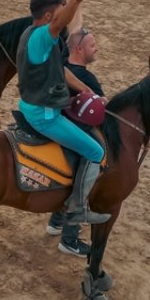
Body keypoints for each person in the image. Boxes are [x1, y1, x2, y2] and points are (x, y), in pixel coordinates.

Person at [17, 0, 110, 226]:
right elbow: (60, 24)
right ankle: (77, 209)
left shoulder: (30, 34)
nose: (63, 16)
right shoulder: (41, 37)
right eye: (61, 10)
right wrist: (76, 2)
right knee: (95, 151)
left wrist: (84, 89)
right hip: (44, 116)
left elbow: (59, 69)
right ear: (48, 16)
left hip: (31, 105)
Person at [45, 27, 103, 258]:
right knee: (94, 156)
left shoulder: (62, 67)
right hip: (67, 129)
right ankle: (70, 237)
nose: (96, 47)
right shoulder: (86, 78)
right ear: (79, 49)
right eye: (92, 45)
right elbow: (102, 110)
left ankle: (56, 219)